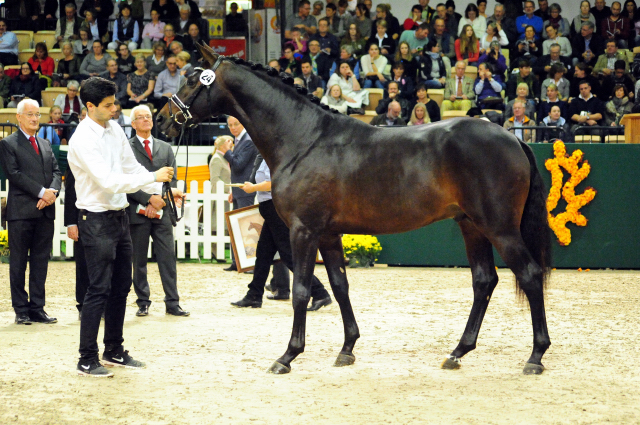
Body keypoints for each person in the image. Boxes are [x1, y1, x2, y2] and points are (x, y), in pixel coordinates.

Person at [67, 76, 179, 377]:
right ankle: (87, 357)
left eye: (114, 102)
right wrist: (153, 176)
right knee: (98, 289)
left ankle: (113, 348)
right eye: (107, 105)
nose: (114, 109)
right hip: (95, 218)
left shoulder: (114, 128)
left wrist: (154, 183)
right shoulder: (82, 139)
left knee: (121, 286)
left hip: (118, 216)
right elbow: (108, 180)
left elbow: (129, 167)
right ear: (90, 106)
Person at [230, 158, 331, 310]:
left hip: (276, 208)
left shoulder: (275, 158)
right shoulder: (265, 157)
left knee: (288, 255)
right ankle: (254, 294)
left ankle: (319, 292)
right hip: (270, 209)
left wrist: (253, 188)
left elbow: (275, 182)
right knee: (263, 254)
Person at [0, 99, 62, 325]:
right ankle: (21, 310)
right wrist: (41, 192)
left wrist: (51, 192)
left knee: (40, 262)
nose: (35, 118)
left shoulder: (45, 144)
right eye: (29, 114)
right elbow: (14, 174)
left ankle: (37, 307)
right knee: (18, 263)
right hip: (21, 212)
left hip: (45, 212)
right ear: (19, 117)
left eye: (37, 114)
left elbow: (57, 171)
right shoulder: (8, 143)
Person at [126, 105, 189, 318]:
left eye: (148, 117)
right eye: (140, 117)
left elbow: (173, 178)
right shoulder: (126, 148)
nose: (146, 120)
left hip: (163, 210)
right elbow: (127, 181)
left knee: (168, 257)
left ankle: (172, 302)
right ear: (133, 124)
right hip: (137, 210)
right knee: (139, 259)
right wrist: (147, 200)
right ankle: (143, 301)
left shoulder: (165, 148)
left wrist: (160, 201)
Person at [217, 116, 259, 272]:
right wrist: (232, 191)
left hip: (245, 189)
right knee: (236, 227)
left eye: (236, 124)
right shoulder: (240, 140)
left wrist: (226, 152)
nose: (233, 127)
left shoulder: (248, 140)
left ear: (243, 123)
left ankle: (250, 264)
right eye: (230, 125)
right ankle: (237, 262)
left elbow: (239, 165)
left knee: (247, 227)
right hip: (238, 189)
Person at [64, 163, 91, 320]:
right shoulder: (79, 152)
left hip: (109, 216)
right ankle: (83, 304)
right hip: (83, 217)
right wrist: (71, 222)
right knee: (83, 264)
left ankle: (105, 305)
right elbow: (70, 190)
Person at [209, 135, 232, 236]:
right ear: (223, 146)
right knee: (217, 228)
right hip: (219, 198)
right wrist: (230, 188)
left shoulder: (224, 158)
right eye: (230, 145)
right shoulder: (216, 159)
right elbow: (215, 179)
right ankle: (214, 251)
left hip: (225, 197)